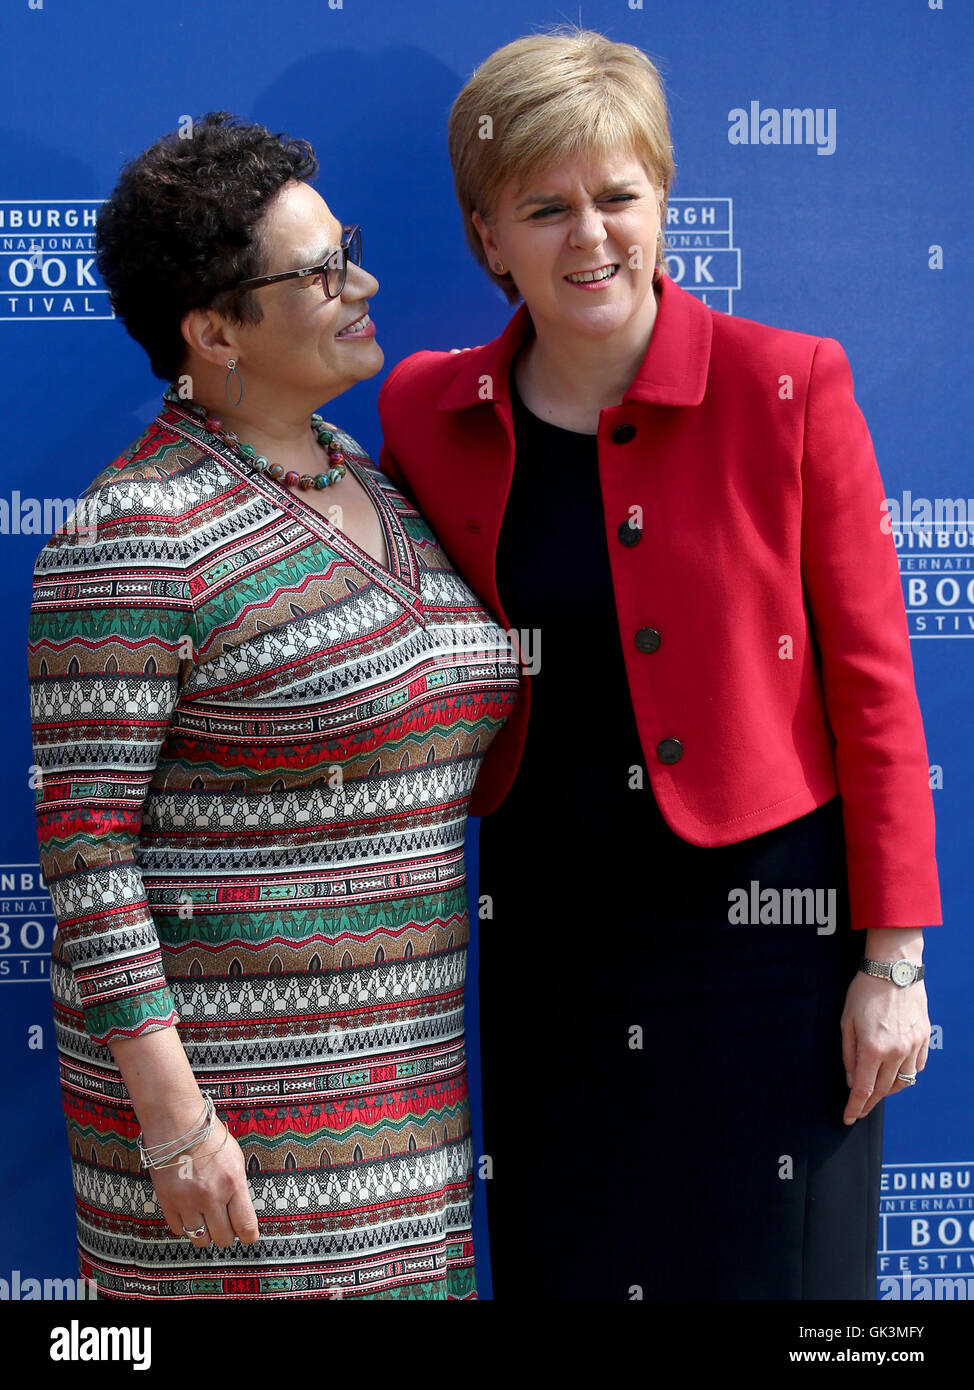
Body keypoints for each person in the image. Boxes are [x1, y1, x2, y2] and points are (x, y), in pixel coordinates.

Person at [377, 29, 941, 1300]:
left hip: (768, 932)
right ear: (489, 240)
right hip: (547, 937)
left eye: (618, 196)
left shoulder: (787, 385)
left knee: (784, 1281)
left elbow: (873, 694)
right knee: (570, 1260)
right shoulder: (425, 410)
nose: (590, 236)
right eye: (546, 207)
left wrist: (889, 965)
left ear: (662, 202)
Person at [26, 111, 521, 1301]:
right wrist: (176, 1125)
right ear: (213, 332)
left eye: (341, 246)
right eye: (316, 272)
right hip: (231, 1149)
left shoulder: (370, 478)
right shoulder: (135, 530)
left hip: (405, 1121)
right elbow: (86, 851)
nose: (364, 280)